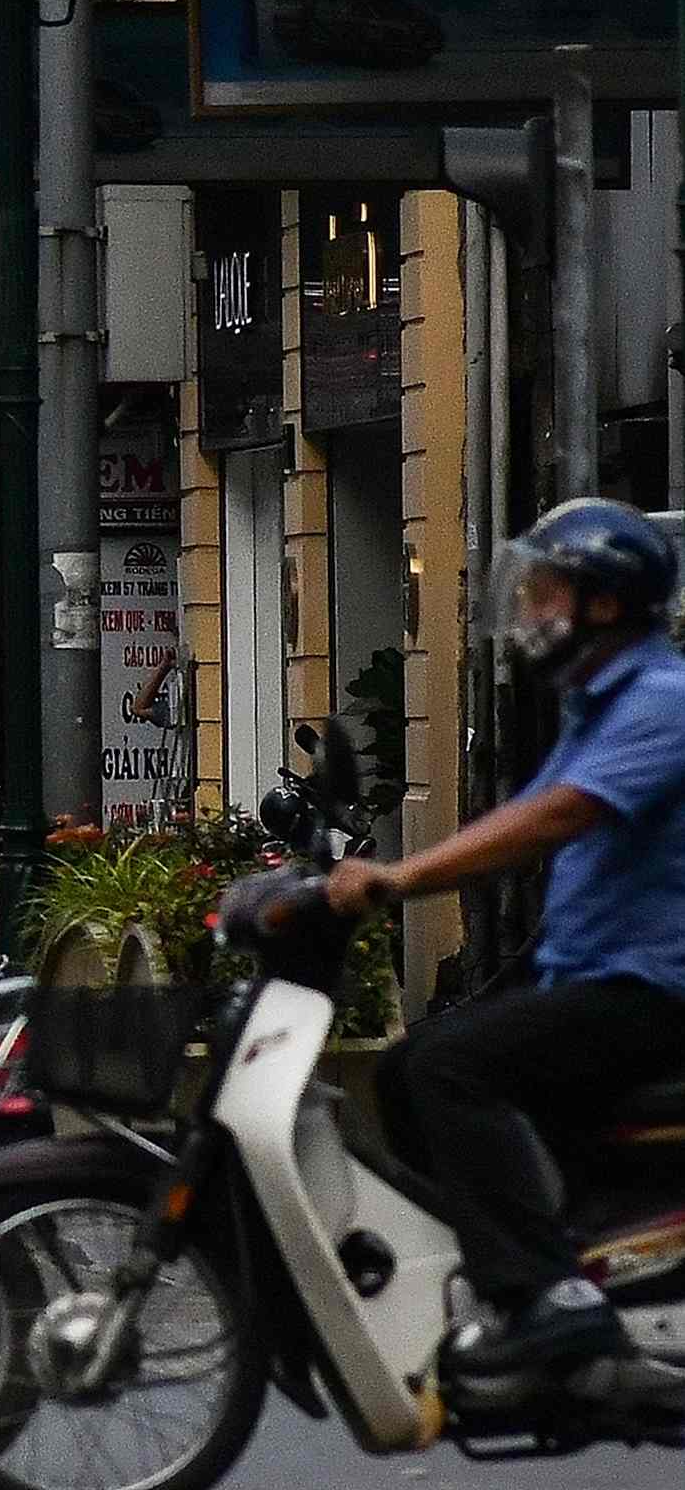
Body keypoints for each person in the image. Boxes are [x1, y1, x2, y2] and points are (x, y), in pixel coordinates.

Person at [326, 500, 685, 1381]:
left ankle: (546, 1298)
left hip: (652, 989)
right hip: (593, 976)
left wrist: (401, 879)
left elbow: (552, 820)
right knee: (411, 1070)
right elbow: (528, 817)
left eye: (547, 591)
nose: (528, 609)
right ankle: (537, 1263)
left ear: (604, 605)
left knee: (454, 1067)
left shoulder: (660, 701)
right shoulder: (594, 707)